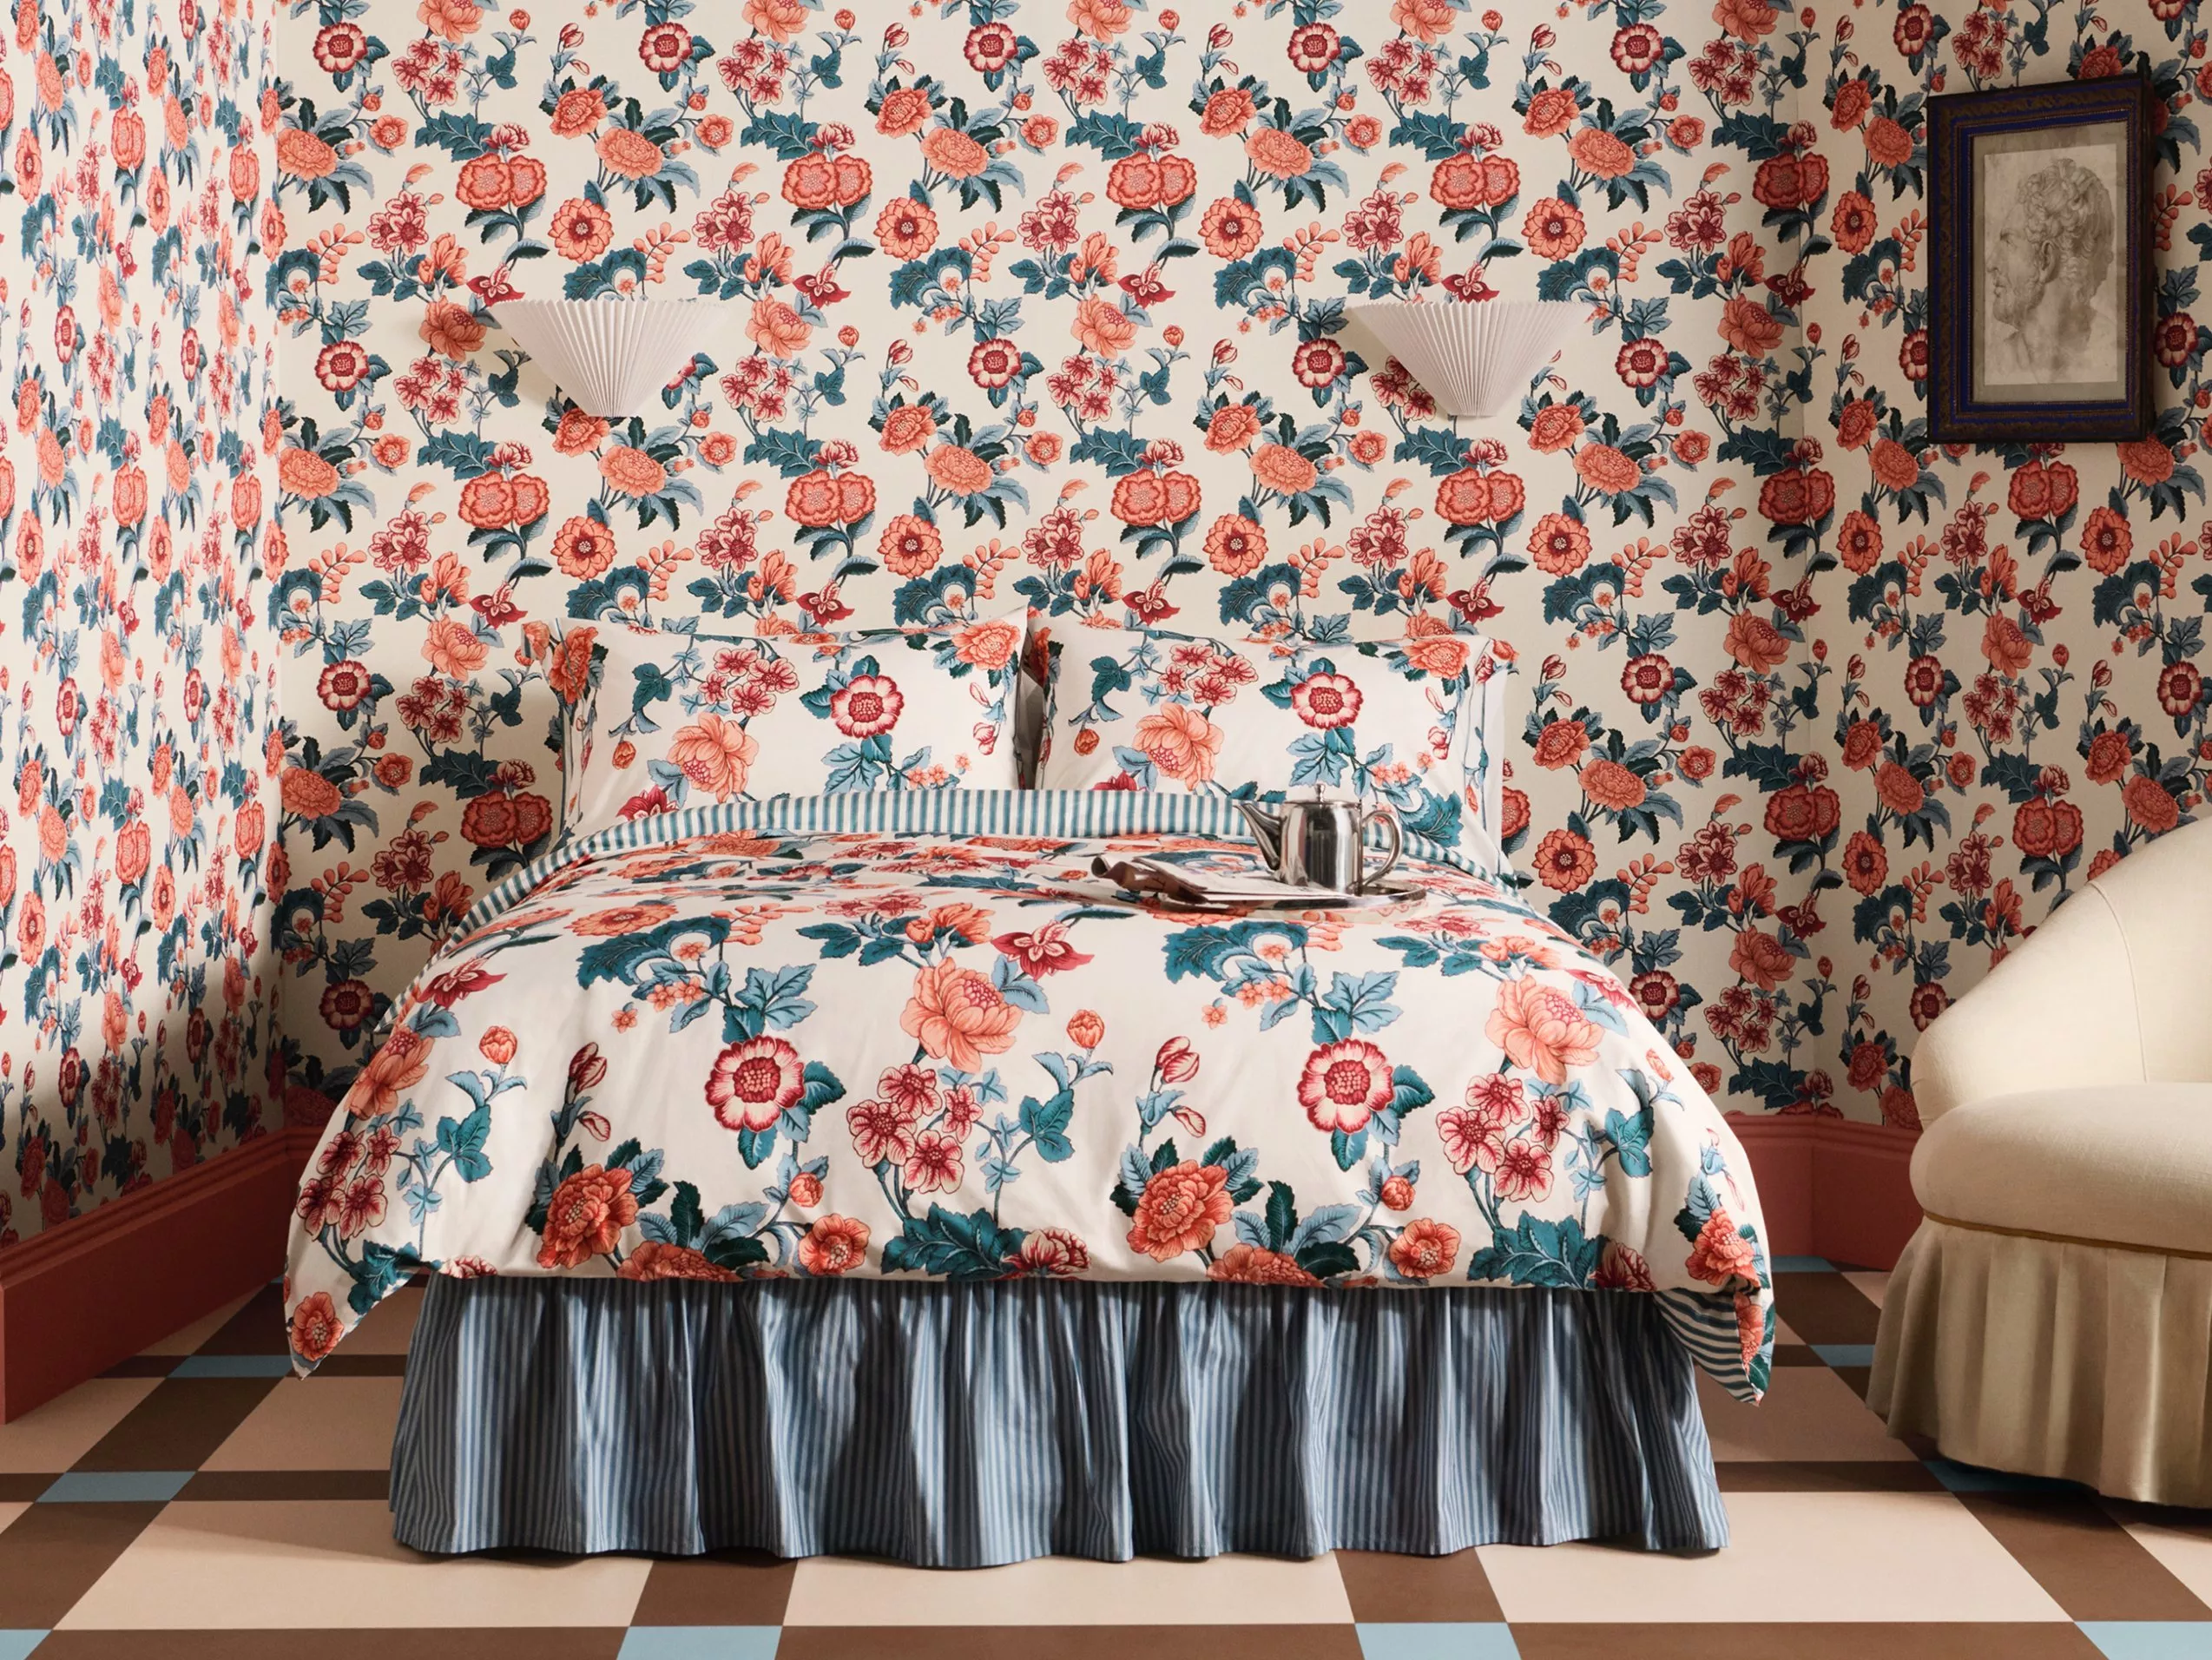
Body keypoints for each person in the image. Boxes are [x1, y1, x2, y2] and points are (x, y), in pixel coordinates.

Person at [1985, 152, 2119, 386]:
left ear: (2045, 260)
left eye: (2009, 242)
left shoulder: (2114, 355)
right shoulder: (1996, 364)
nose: (1991, 263)